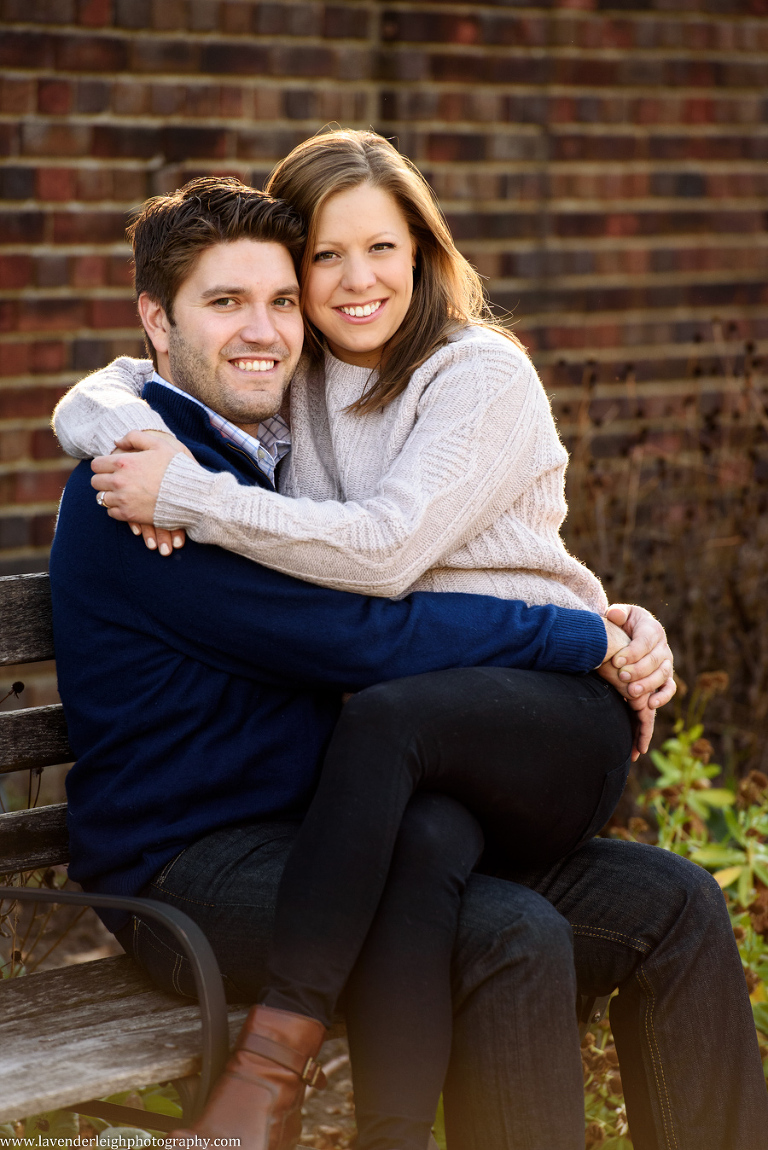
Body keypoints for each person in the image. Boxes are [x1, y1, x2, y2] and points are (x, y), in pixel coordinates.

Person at [51, 176, 768, 1150]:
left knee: (671, 904)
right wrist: (583, 636)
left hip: (347, 827)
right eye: (224, 303)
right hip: (190, 873)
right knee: (510, 934)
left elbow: (453, 548)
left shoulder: (270, 454)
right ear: (157, 321)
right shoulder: (148, 496)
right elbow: (362, 634)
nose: (261, 330)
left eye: (280, 302)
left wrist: (592, 610)